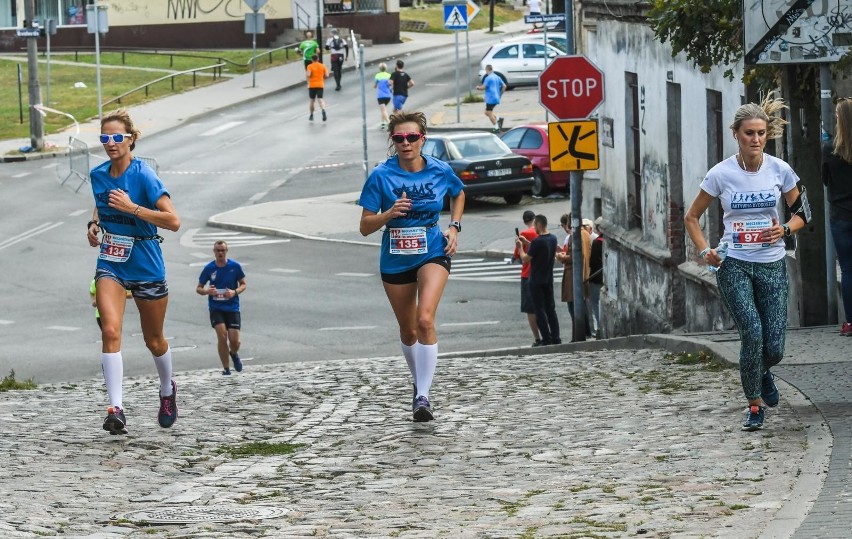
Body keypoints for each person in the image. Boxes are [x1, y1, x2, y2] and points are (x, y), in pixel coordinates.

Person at [684, 95, 807, 432]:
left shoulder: (780, 170)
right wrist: (706, 250)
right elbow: (691, 217)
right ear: (736, 134)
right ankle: (754, 405)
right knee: (752, 333)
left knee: (775, 347)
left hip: (772, 263)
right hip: (734, 263)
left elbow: (803, 214)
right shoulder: (720, 174)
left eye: (761, 133)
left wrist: (783, 229)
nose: (756, 139)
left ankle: (761, 370)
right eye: (749, 133)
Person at [358, 110, 465, 422]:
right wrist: (389, 213)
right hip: (395, 255)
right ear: (393, 141)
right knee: (407, 329)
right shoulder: (381, 175)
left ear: (423, 139)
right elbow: (365, 226)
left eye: (412, 137)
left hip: (433, 248)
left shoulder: (440, 170)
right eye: (399, 138)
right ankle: (418, 382)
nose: (406, 143)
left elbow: (458, 194)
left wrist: (455, 226)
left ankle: (423, 395)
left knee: (425, 319)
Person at [85, 108, 181, 436]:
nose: (111, 143)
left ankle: (167, 390)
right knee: (110, 331)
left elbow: (174, 221)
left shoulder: (144, 176)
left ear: (130, 139)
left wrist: (133, 208)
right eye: (104, 138)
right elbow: (102, 201)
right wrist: (95, 223)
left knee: (154, 340)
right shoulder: (98, 174)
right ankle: (116, 408)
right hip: (111, 261)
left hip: (146, 262)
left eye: (117, 137)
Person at [822, 98, 852, 337]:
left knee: (849, 270)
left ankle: (850, 322)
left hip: (841, 217)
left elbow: (824, 180)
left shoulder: (829, 149)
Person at [196, 241, 247, 375]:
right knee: (222, 335)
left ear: (227, 251)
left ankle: (234, 354)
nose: (220, 253)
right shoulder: (209, 268)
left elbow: (243, 284)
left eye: (222, 250)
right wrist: (208, 291)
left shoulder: (235, 266)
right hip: (216, 307)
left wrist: (234, 292)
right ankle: (226, 369)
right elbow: (199, 288)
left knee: (235, 341)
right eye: (218, 250)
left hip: (232, 307)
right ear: (214, 252)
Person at [516, 214, 560, 345]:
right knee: (551, 309)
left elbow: (525, 258)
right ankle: (556, 337)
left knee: (539, 309)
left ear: (539, 225)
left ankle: (546, 338)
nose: (534, 228)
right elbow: (540, 248)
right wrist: (527, 243)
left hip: (535, 280)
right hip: (548, 278)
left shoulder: (537, 241)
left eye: (535, 225)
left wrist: (520, 247)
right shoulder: (553, 239)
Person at [555, 213, 591, 340]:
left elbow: (577, 256)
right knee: (579, 306)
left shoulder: (576, 235)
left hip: (574, 276)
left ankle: (578, 336)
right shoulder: (585, 233)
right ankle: (583, 333)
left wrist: (562, 257)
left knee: (574, 308)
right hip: (582, 273)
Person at [512, 210, 541, 346]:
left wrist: (520, 246)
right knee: (543, 306)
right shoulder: (542, 232)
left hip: (528, 274)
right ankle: (549, 335)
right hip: (541, 273)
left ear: (524, 221)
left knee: (530, 309)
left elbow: (518, 255)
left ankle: (537, 338)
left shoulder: (524, 234)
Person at [476, 64, 506, 133]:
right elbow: (504, 86)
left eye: (486, 70)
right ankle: (498, 119)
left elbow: (483, 87)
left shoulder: (488, 78)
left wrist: (478, 87)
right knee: (487, 112)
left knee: (488, 112)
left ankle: (497, 127)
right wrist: (500, 95)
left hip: (491, 98)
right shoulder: (497, 77)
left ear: (487, 70)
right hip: (496, 98)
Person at [588, 217, 604, 338]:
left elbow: (593, 261)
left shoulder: (598, 242)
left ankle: (599, 327)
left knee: (595, 303)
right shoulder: (608, 240)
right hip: (606, 277)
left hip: (596, 277)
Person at [306, 54, 329, 122]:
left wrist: (308, 80)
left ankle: (311, 115)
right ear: (318, 59)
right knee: (320, 99)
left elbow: (308, 74)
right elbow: (327, 75)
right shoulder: (323, 66)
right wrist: (322, 78)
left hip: (312, 85)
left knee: (312, 100)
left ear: (312, 60)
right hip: (320, 84)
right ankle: (323, 110)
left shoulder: (309, 66)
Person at [374, 62, 392, 129]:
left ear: (379, 68)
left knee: (383, 110)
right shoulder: (389, 75)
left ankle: (389, 123)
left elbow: (375, 86)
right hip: (388, 95)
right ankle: (383, 123)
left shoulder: (377, 76)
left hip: (381, 96)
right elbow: (390, 84)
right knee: (383, 109)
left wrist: (377, 85)